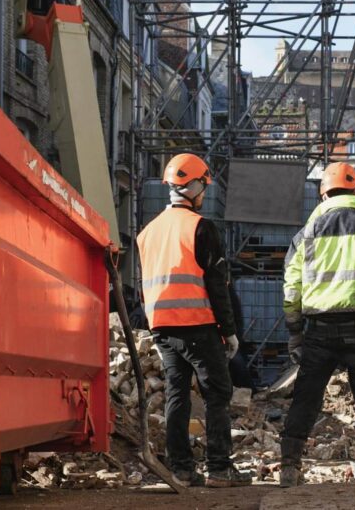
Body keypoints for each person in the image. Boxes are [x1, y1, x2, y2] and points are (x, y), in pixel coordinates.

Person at [280, 162, 355, 487]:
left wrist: (294, 331)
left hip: (319, 328)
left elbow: (292, 285)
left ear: (323, 195)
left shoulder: (308, 230)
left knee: (306, 396)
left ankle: (289, 466)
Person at [136, 153, 251, 488]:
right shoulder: (201, 227)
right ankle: (218, 469)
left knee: (177, 395)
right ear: (195, 186)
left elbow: (146, 285)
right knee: (217, 393)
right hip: (198, 325)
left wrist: (154, 329)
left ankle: (182, 469)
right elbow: (218, 285)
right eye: (204, 186)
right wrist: (229, 332)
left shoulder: (147, 233)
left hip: (162, 327)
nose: (205, 194)